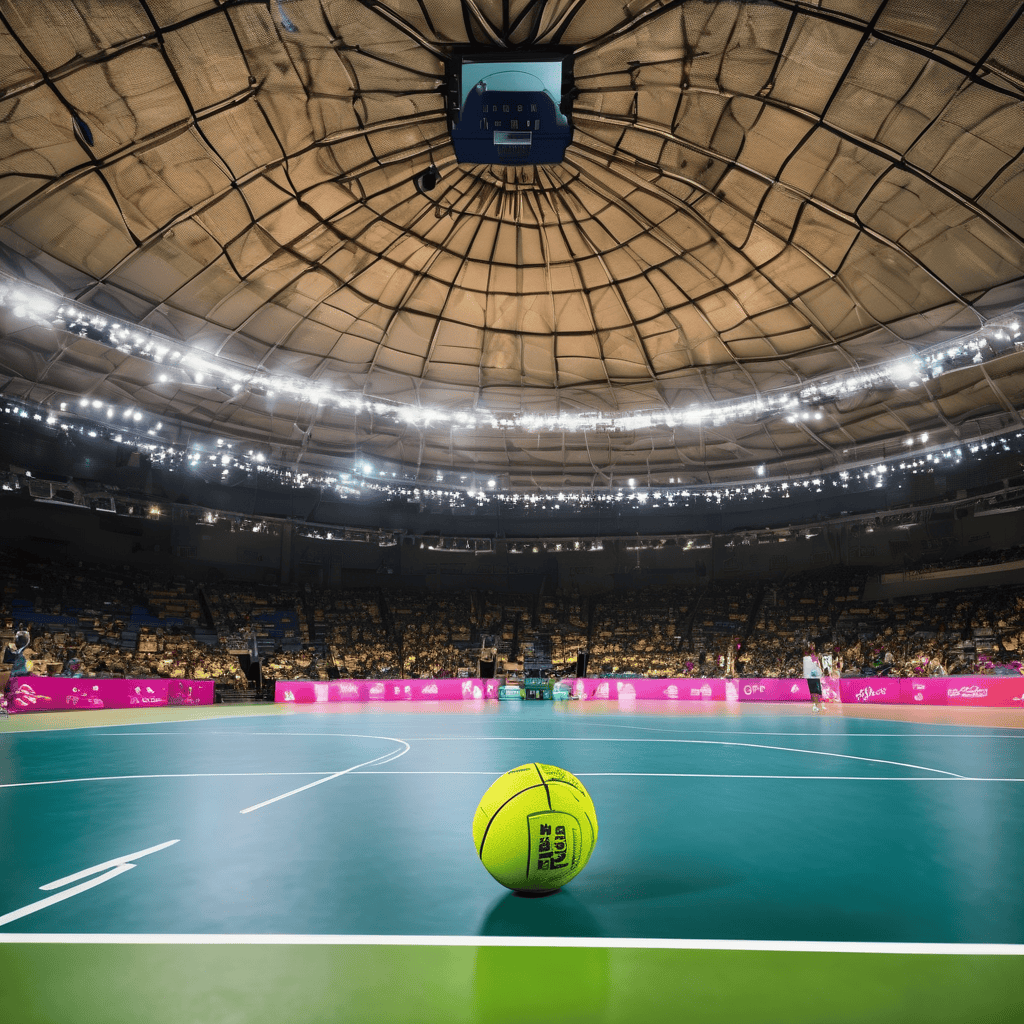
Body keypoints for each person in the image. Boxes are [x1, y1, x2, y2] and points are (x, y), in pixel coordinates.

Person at [803, 641, 823, 712]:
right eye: (811, 645)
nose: (813, 646)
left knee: (818, 691)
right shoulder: (806, 653)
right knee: (813, 691)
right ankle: (814, 706)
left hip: (816, 675)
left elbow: (817, 663)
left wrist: (820, 670)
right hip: (810, 676)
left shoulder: (815, 654)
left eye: (814, 644)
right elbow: (808, 664)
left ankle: (817, 705)